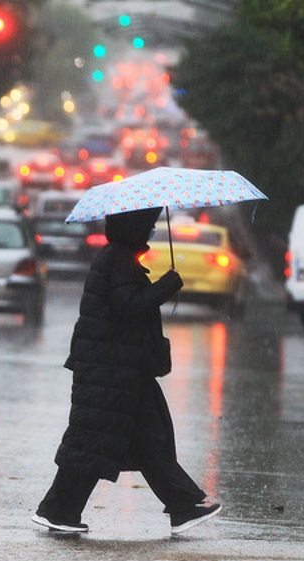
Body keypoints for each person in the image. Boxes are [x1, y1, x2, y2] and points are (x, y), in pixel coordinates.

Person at [32, 206, 222, 535]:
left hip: (122, 371)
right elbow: (129, 305)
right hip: (112, 372)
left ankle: (182, 507)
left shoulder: (117, 258)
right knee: (95, 442)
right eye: (148, 225)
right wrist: (166, 285)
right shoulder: (116, 260)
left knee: (148, 438)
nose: (151, 231)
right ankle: (57, 510)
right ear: (133, 227)